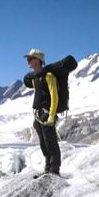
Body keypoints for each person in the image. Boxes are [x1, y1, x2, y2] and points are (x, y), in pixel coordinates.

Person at [25, 48, 60, 176]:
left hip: (46, 113)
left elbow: (54, 96)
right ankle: (47, 167)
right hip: (38, 114)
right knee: (43, 143)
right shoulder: (35, 78)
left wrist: (51, 115)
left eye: (30, 58)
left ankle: (54, 169)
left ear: (38, 61)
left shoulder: (49, 76)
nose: (28, 61)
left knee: (50, 142)